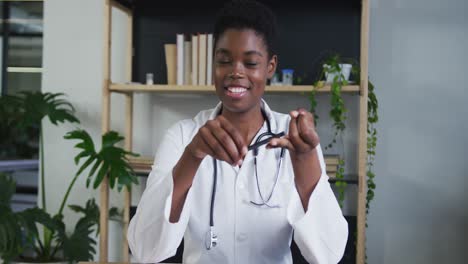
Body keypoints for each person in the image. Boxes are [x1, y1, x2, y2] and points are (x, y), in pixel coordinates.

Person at [127, 1, 348, 263]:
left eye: (251, 62)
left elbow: (329, 255)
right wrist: (192, 156)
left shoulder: (295, 138)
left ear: (270, 67)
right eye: (224, 60)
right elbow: (145, 249)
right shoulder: (183, 137)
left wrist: (306, 165)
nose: (235, 72)